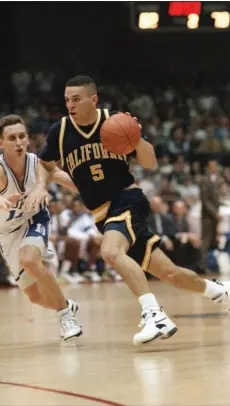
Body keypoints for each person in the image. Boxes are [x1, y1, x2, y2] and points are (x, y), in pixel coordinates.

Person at [24, 75, 230, 345]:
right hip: (101, 214)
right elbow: (46, 163)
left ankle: (154, 315)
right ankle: (218, 290)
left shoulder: (114, 121)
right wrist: (42, 185)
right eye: (66, 99)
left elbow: (151, 162)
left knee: (110, 252)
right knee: (172, 274)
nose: (70, 104)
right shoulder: (59, 131)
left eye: (76, 99)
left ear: (93, 99)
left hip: (126, 200)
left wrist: (137, 139)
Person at [0, 114, 82, 341]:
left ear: (27, 139)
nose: (18, 142)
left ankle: (65, 315)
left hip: (35, 219)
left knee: (29, 261)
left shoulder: (37, 163)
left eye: (22, 136)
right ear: (1, 143)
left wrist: (95, 192)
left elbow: (64, 178)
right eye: (11, 138)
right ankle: (65, 304)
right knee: (35, 297)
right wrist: (1, 201)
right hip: (7, 232)